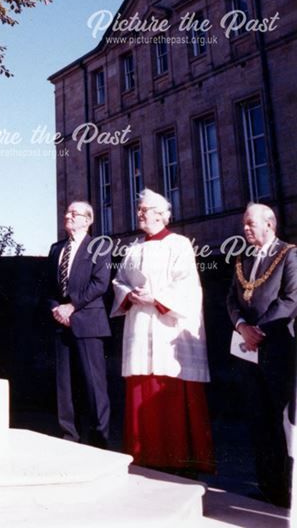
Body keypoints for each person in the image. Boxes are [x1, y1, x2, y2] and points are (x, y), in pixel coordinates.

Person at [112, 188, 214, 476]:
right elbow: (119, 281)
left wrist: (155, 299)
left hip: (168, 329)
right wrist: (129, 294)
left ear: (161, 214)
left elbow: (188, 287)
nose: (139, 213)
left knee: (169, 389)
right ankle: (143, 457)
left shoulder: (179, 244)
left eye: (144, 209)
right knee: (142, 384)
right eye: (139, 209)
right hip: (140, 324)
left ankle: (178, 460)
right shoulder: (133, 249)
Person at [227, 202, 297, 508]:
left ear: (269, 224)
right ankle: (269, 489)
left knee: (282, 422)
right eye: (244, 223)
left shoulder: (289, 254)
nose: (245, 228)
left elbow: (291, 299)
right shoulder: (243, 256)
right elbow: (231, 298)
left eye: (250, 224)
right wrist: (242, 326)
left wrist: (259, 329)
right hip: (247, 350)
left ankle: (289, 492)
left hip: (278, 348)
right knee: (257, 419)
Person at [47, 200, 111, 448]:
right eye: (68, 212)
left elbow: (99, 284)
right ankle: (68, 437)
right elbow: (48, 286)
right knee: (65, 385)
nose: (69, 216)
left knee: (94, 385)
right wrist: (56, 308)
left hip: (88, 322)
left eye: (75, 213)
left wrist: (71, 306)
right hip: (60, 322)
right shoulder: (56, 249)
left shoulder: (100, 245)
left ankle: (99, 441)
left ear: (88, 219)